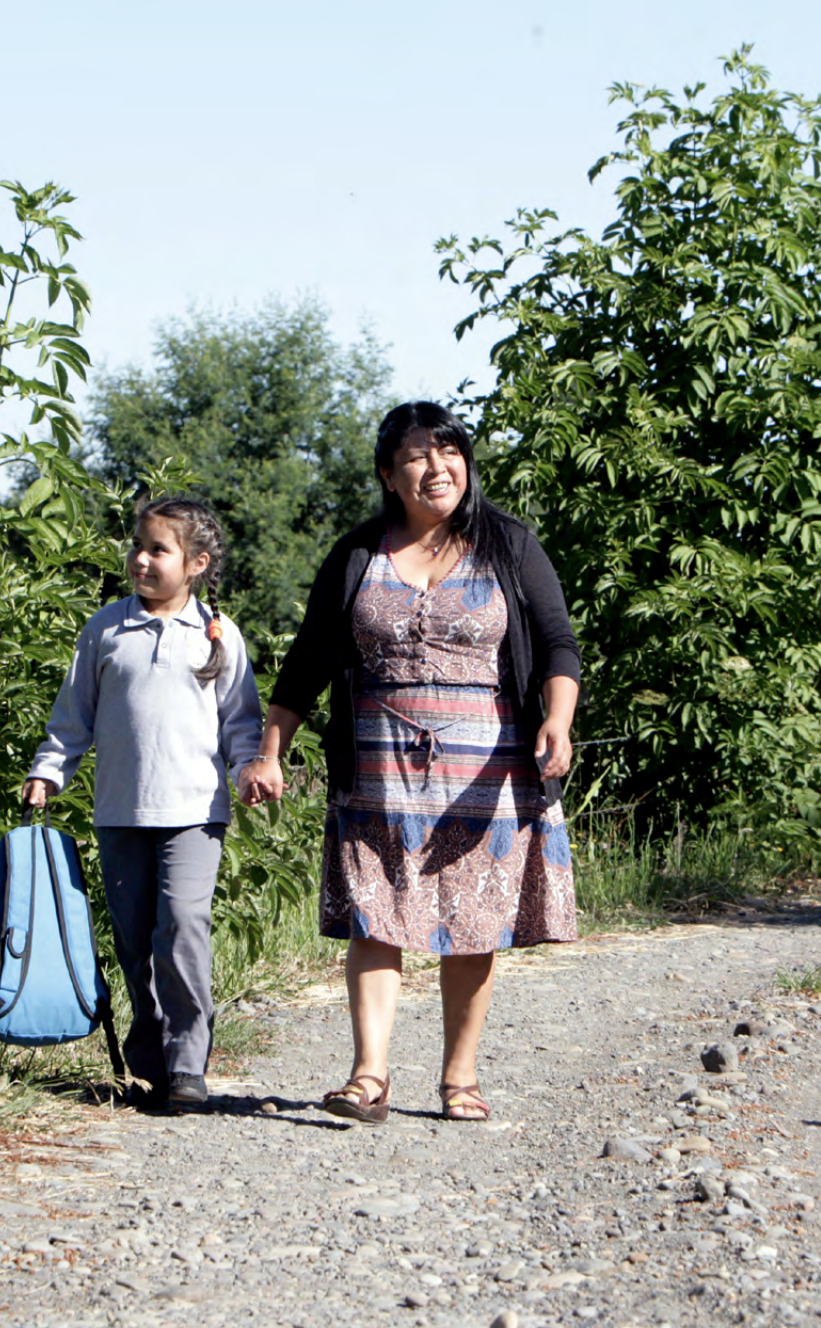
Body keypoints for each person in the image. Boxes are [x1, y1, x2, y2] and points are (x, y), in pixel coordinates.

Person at [240, 402, 580, 1123]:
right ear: (389, 476)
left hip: (487, 771)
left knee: (473, 919)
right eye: (419, 456)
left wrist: (557, 719)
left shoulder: (509, 544)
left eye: (449, 451)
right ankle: (369, 1077)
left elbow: (557, 644)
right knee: (376, 914)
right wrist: (272, 750)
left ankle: (460, 1078)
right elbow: (307, 660)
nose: (438, 467)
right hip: (376, 765)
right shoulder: (358, 554)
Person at [23, 497, 262, 1111]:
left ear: (196, 564)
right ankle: (150, 1055)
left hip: (194, 812)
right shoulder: (106, 629)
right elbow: (73, 716)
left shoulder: (217, 634)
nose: (141, 559)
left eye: (158, 549)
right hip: (121, 811)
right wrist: (50, 772)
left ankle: (188, 1062)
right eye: (138, 545)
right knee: (134, 939)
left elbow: (241, 722)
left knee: (181, 929)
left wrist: (249, 769)